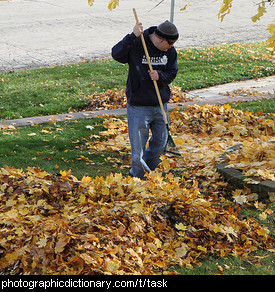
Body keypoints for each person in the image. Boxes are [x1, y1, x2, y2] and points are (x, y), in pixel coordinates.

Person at [111, 20, 179, 179]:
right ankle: (137, 178)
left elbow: (172, 72)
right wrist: (132, 36)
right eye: (170, 43)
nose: (172, 47)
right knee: (138, 149)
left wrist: (160, 76)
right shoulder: (137, 43)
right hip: (139, 106)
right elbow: (116, 54)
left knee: (160, 144)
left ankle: (147, 172)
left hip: (160, 105)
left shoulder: (170, 51)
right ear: (160, 39)